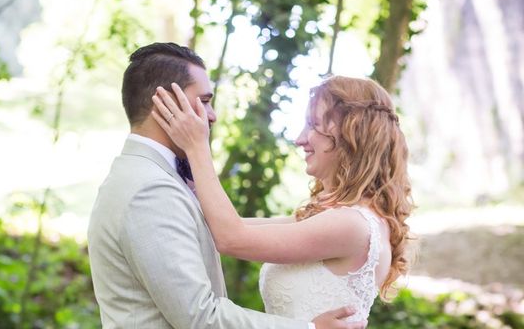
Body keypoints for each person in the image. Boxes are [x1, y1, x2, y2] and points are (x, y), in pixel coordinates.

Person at [88, 42, 366, 329]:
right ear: (168, 104)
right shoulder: (150, 190)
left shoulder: (149, 176)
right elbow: (200, 317)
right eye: (205, 100)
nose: (213, 115)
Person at [152, 74, 414, 323]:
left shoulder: (351, 225)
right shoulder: (340, 219)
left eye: (313, 125)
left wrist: (197, 146)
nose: (299, 139)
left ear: (352, 134)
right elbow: (225, 225)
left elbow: (231, 238)